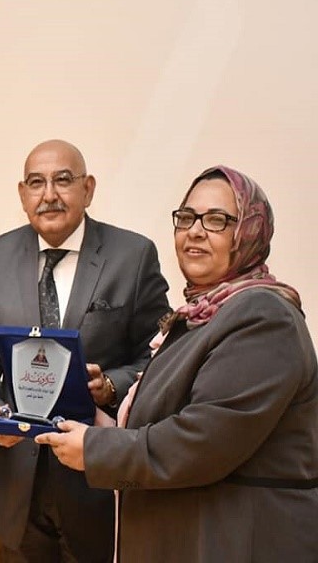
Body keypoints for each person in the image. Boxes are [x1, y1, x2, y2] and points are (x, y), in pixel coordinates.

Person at [38, 166, 318, 562]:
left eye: (217, 220)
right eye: (186, 218)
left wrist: (97, 449)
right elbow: (169, 418)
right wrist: (98, 418)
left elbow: (203, 441)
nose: (195, 231)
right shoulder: (203, 314)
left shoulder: (263, 316)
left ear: (251, 232)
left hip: (239, 541)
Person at [0, 139, 170, 562]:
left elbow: (162, 357)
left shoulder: (132, 256)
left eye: (63, 180)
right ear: (23, 195)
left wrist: (111, 385)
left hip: (98, 480)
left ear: (88, 189)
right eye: (36, 183)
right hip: (20, 482)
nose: (49, 194)